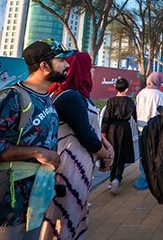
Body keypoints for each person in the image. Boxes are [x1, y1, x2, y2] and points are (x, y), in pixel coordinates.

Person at [0, 39, 72, 240]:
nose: (67, 65)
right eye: (61, 60)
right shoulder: (13, 97)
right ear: (44, 66)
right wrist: (37, 152)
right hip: (5, 209)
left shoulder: (45, 98)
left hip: (33, 204)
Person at [40, 52, 113, 240]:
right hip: (67, 170)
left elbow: (89, 129)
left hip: (77, 169)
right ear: (80, 69)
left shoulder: (78, 96)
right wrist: (106, 155)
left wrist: (105, 145)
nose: (94, 70)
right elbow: (86, 136)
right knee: (64, 218)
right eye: (90, 66)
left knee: (72, 215)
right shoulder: (70, 97)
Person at [101, 78, 137, 195]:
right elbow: (135, 116)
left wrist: (103, 132)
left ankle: (112, 178)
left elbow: (106, 118)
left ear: (116, 88)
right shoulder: (130, 101)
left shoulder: (111, 101)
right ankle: (117, 177)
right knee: (121, 152)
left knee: (113, 152)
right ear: (126, 89)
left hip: (112, 129)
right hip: (125, 129)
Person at [134, 72, 163, 190]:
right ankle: (154, 177)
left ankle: (144, 176)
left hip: (141, 127)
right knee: (154, 152)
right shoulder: (160, 95)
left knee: (143, 153)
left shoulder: (141, 93)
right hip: (155, 129)